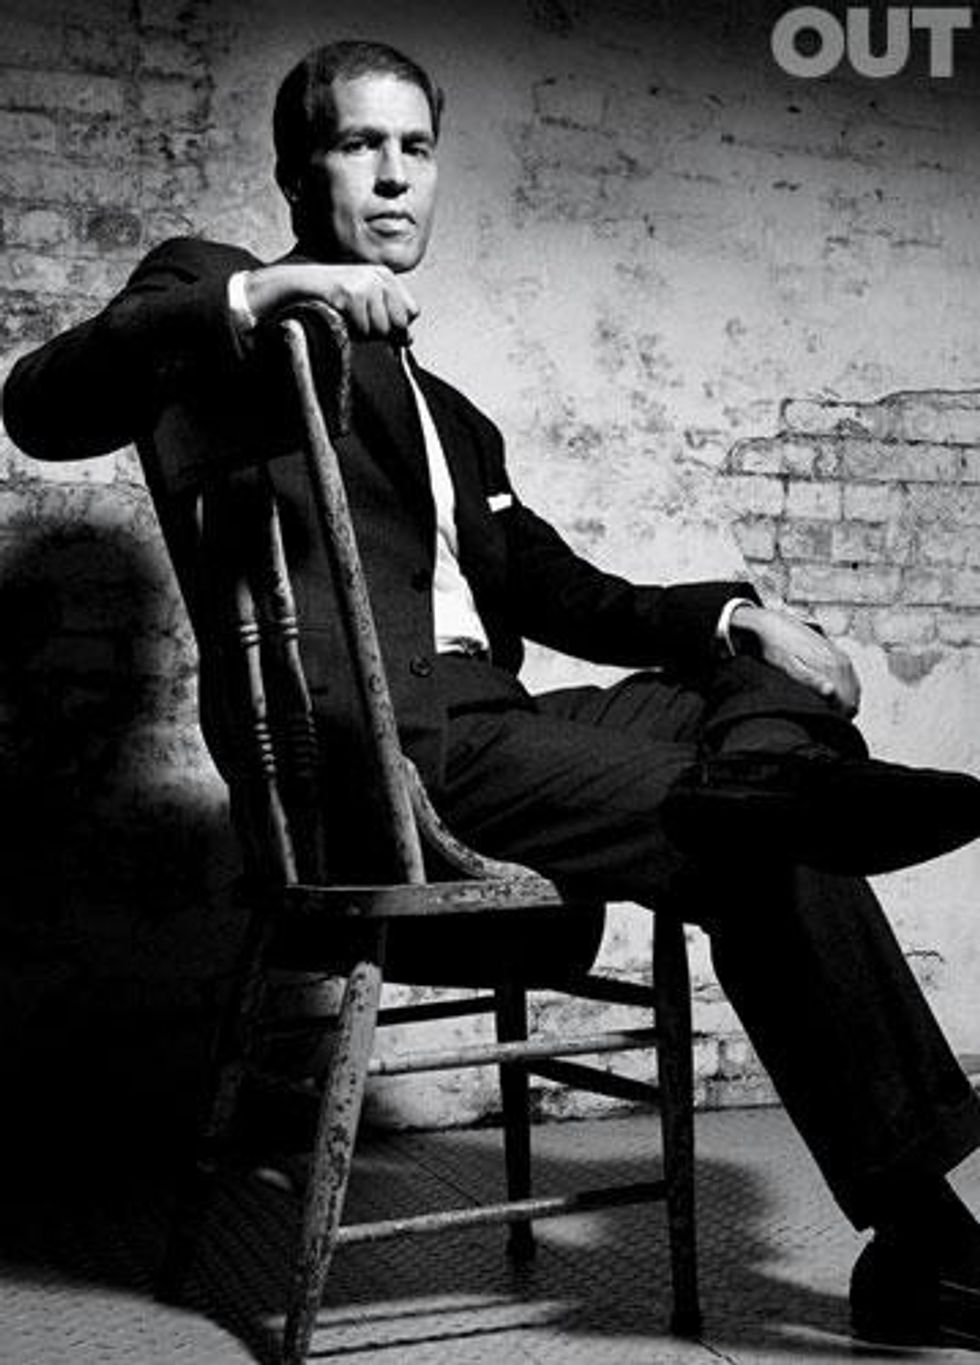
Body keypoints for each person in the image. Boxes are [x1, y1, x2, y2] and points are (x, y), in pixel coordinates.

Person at [5, 38, 980, 1350]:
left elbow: (567, 592)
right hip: (392, 756)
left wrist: (741, 615)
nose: (394, 176)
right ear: (298, 171)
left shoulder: (453, 417)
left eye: (416, 148)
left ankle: (764, 778)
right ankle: (922, 1239)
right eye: (361, 145)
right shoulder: (222, 295)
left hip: (499, 727)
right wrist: (270, 293)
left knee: (754, 703)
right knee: (772, 826)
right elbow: (40, 405)